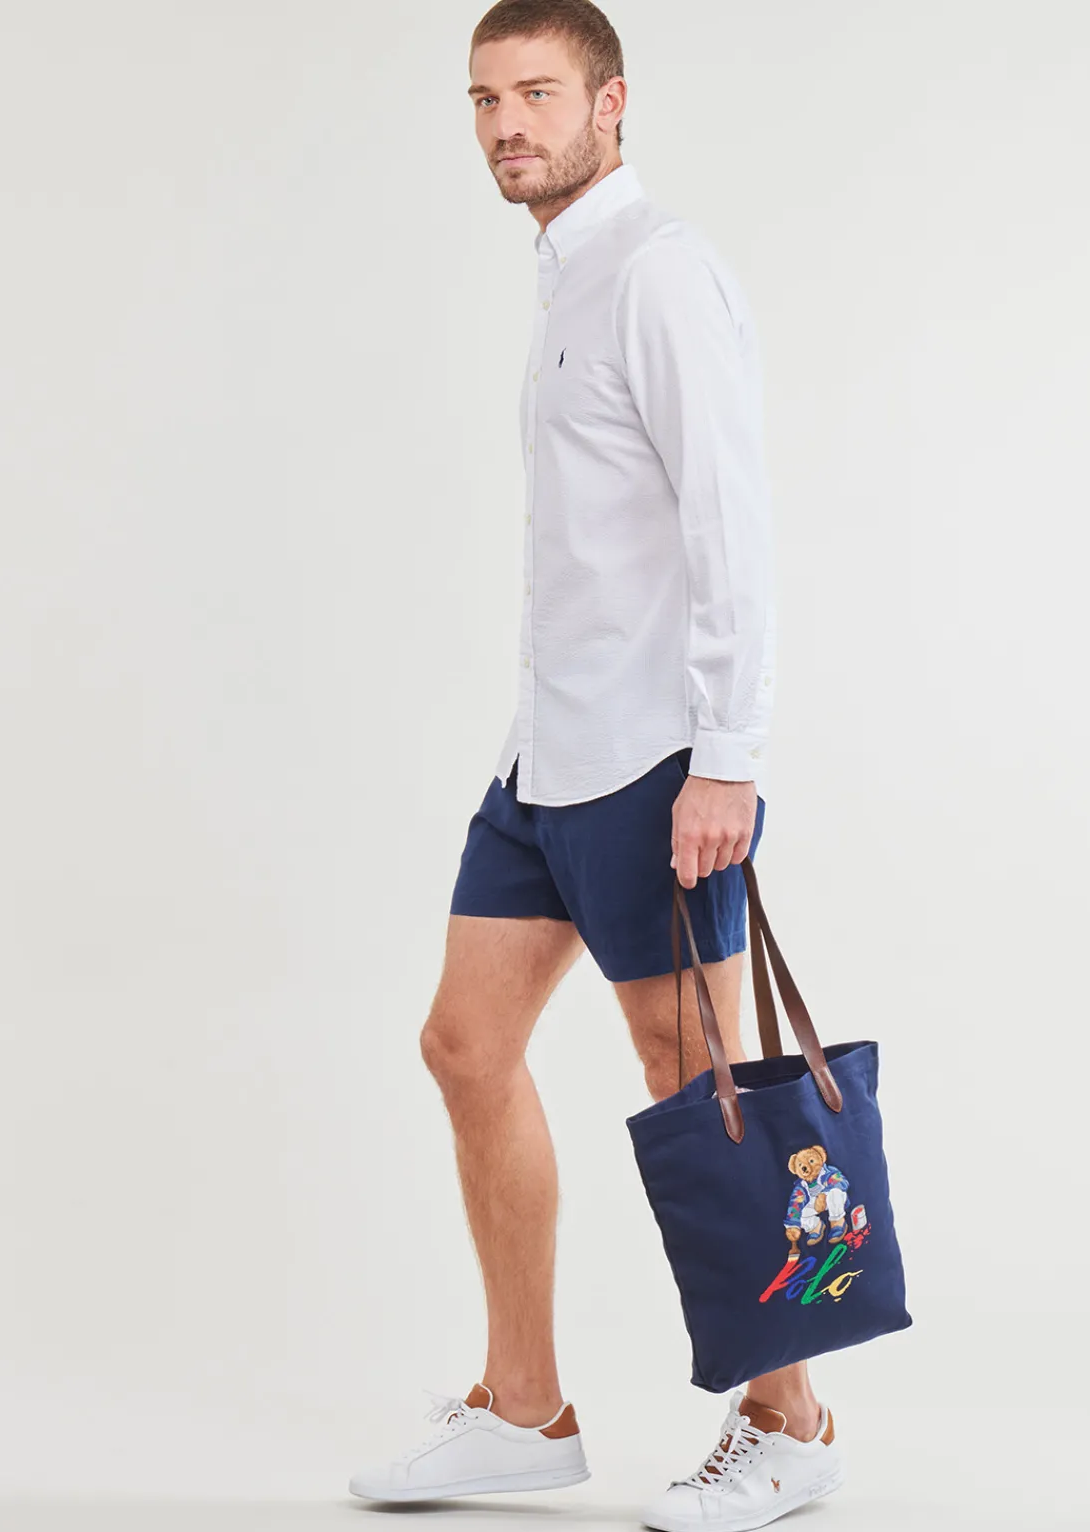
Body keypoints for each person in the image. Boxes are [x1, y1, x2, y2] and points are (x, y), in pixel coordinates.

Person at [349, 2, 842, 1525]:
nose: (507, 123)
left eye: (538, 92)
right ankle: (524, 1411)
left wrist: (728, 759)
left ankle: (791, 1424)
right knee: (464, 1046)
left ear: (612, 103)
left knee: (697, 1083)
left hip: (653, 762)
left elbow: (730, 525)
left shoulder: (660, 272)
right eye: (484, 99)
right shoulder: (567, 274)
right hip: (543, 764)